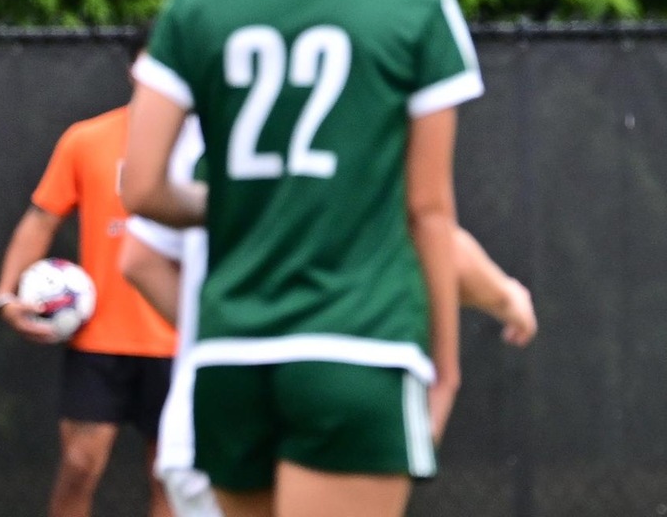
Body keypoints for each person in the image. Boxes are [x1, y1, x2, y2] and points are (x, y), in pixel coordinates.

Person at [120, 0, 480, 517]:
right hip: (355, 350)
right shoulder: (416, 9)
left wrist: (237, 197)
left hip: (230, 360)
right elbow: (429, 212)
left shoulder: (196, 4)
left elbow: (142, 188)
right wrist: (445, 367)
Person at [118, 121, 536, 517]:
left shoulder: (199, 123)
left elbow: (139, 259)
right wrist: (506, 296)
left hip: (207, 411)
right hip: (339, 388)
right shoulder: (356, 114)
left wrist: (219, 328)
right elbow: (432, 237)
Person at [0, 33, 173, 517]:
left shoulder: (206, 147)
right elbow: (40, 218)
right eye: (154, 59)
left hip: (179, 340)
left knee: (170, 481)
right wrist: (6, 297)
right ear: (135, 68)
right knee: (79, 465)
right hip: (98, 341)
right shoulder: (88, 139)